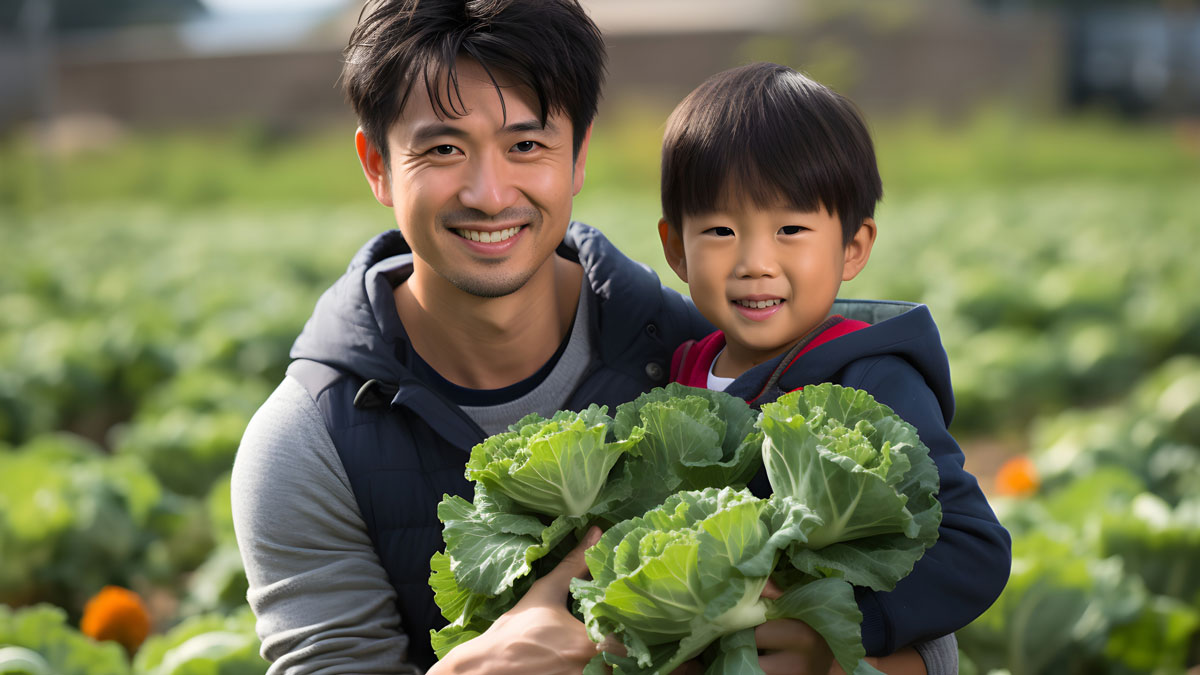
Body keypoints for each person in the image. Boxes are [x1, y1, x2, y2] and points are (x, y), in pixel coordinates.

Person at [229, 1, 718, 673]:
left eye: (526, 145)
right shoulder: (307, 442)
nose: (490, 194)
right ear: (377, 165)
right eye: (443, 149)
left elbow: (910, 625)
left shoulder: (707, 355)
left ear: (577, 157)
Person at [657, 63, 1013, 674]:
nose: (754, 263)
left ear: (853, 247)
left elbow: (973, 548)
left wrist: (840, 629)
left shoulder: (873, 381)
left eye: (790, 229)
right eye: (720, 229)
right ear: (674, 249)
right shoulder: (679, 371)